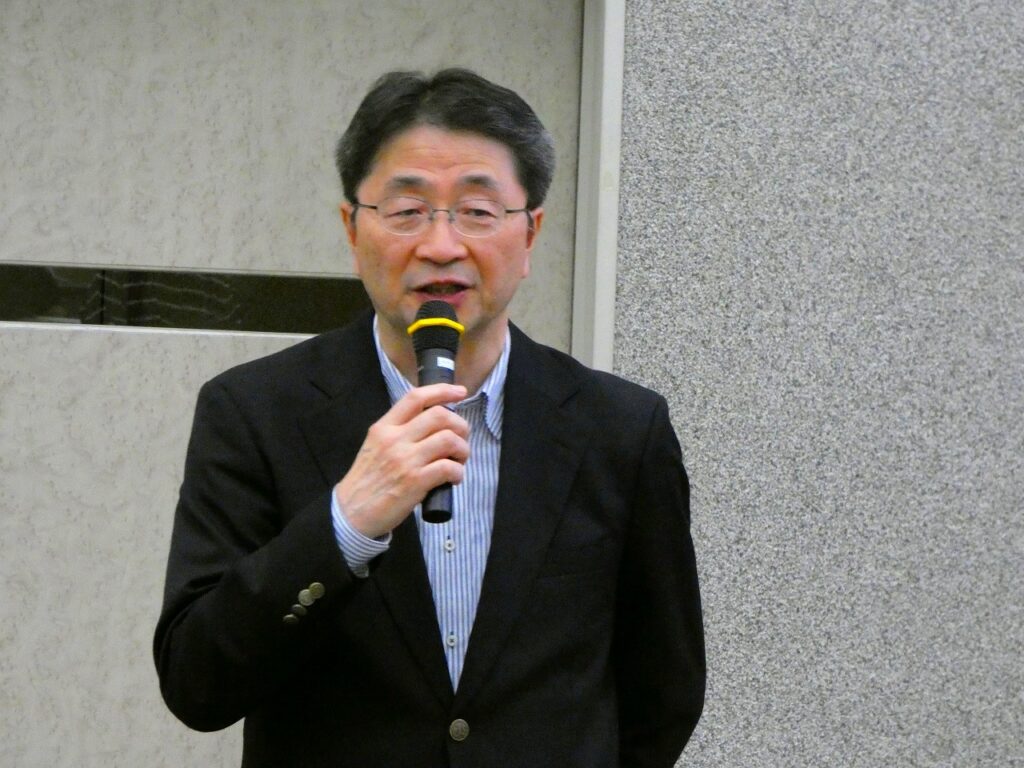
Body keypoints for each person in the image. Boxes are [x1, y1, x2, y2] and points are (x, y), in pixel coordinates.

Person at [154, 68, 705, 768]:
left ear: (530, 234)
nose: (441, 245)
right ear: (352, 230)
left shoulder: (621, 429)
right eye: (408, 210)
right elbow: (197, 682)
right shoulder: (254, 412)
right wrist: (346, 523)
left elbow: (665, 692)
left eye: (477, 211)